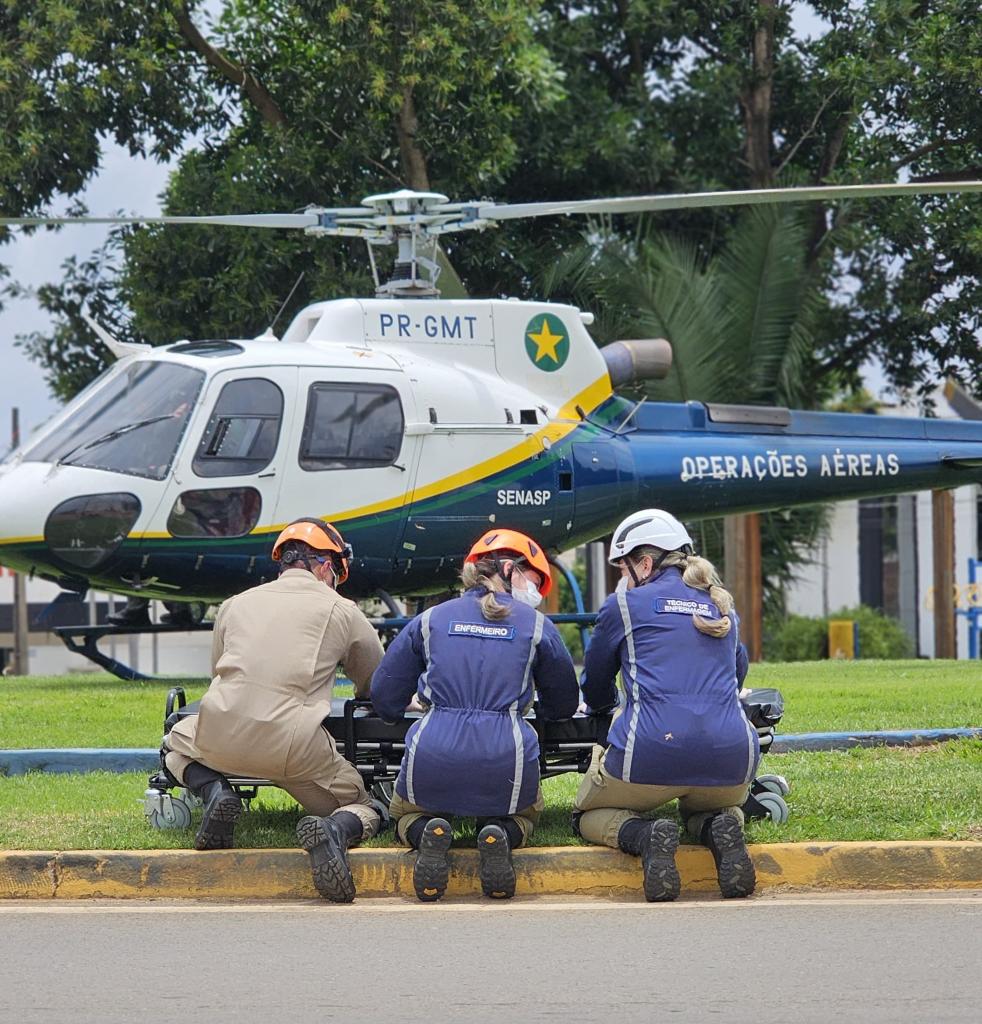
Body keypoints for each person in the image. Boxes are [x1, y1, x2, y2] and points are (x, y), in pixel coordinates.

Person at [163, 518, 385, 903]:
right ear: (326, 566)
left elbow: (220, 669)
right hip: (294, 752)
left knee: (173, 745)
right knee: (365, 805)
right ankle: (336, 831)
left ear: (282, 563)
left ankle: (216, 790)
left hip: (219, 737)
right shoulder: (341, 609)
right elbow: (375, 683)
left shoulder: (234, 605)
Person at [371, 529, 578, 902]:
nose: (536, 591)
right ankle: (500, 833)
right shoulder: (536, 626)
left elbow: (385, 698)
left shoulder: (429, 620)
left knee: (403, 814)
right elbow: (563, 705)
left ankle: (426, 831)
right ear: (509, 569)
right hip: (505, 758)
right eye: (534, 579)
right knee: (524, 814)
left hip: (433, 753)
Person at [573, 509, 758, 901]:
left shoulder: (623, 606)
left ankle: (644, 835)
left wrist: (604, 710)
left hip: (650, 752)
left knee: (585, 815)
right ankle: (718, 828)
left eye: (624, 567)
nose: (622, 577)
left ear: (645, 562)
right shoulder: (722, 605)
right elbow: (736, 674)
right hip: (731, 758)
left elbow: (595, 683)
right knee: (715, 810)